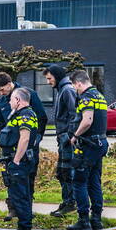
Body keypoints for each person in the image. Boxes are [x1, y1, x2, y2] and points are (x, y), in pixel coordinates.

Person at [0, 72, 47, 218]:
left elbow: (41, 117)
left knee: (28, 176)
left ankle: (27, 209)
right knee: (10, 176)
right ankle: (13, 208)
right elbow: (3, 124)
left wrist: (36, 139)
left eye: (2, 90)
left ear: (9, 84)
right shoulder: (1, 101)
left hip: (27, 144)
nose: (1, 94)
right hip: (9, 147)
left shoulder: (28, 94)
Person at [67, 70, 109, 230]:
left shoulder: (86, 97)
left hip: (88, 145)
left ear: (78, 83)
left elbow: (87, 120)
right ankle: (96, 219)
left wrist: (75, 136)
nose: (75, 89)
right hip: (100, 143)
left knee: (79, 181)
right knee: (94, 181)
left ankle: (83, 220)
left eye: (74, 86)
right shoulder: (100, 96)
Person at [0, 87, 40, 230]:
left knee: (21, 197)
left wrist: (16, 160)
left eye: (11, 99)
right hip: (17, 161)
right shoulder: (20, 114)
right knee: (19, 197)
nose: (9, 102)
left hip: (20, 162)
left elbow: (24, 138)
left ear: (18, 100)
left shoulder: (26, 115)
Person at [43, 65, 78, 217]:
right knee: (62, 172)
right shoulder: (62, 90)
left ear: (56, 76)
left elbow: (75, 114)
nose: (48, 82)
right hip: (64, 139)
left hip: (67, 140)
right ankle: (67, 201)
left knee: (66, 172)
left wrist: (68, 136)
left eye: (49, 78)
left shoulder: (67, 90)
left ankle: (70, 203)